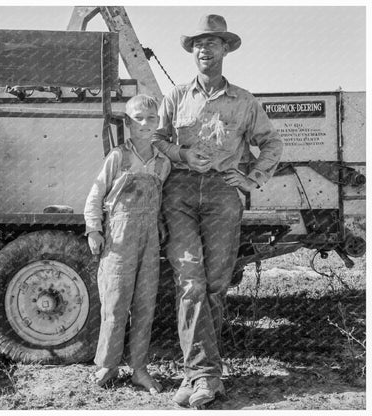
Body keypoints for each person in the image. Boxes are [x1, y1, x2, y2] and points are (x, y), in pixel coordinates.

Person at [153, 14, 283, 407]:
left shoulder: (245, 101)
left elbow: (272, 143)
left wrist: (253, 178)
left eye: (212, 42)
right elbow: (157, 139)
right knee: (189, 282)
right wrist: (182, 153)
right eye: (197, 43)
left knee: (214, 285)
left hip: (224, 195)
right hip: (180, 193)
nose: (204, 49)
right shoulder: (176, 96)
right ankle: (203, 375)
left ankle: (199, 374)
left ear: (226, 49)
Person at [84, 94, 171, 394]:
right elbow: (95, 196)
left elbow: (160, 203)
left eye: (150, 118)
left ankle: (139, 369)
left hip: (149, 240)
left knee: (145, 304)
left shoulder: (163, 164)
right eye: (137, 118)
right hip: (119, 238)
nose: (144, 124)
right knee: (115, 301)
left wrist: (159, 228)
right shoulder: (118, 157)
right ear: (128, 123)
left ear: (158, 122)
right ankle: (107, 366)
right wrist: (93, 229)